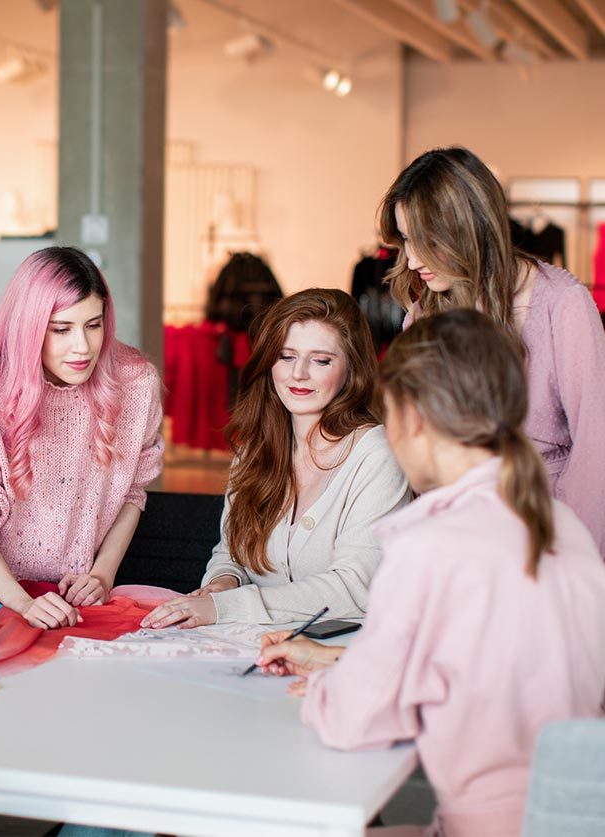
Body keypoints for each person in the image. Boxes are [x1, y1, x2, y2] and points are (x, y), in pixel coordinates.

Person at [258, 309, 605, 837]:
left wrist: (330, 687)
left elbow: (356, 719)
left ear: (412, 419)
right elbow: (487, 661)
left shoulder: (429, 543)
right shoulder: (560, 523)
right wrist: (336, 660)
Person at [381, 145, 605, 554]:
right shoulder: (425, 314)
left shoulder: (563, 305)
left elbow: (596, 447)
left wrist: (569, 556)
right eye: (407, 239)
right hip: (457, 535)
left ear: (468, 228)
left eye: (425, 240)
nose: (411, 260)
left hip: (548, 534)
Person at [141, 289, 409, 629]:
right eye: (286, 356)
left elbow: (356, 588)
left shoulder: (377, 455)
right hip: (254, 644)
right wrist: (221, 584)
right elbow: (231, 553)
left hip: (343, 650)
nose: (298, 373)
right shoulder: (253, 451)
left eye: (321, 361)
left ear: (351, 369)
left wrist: (225, 607)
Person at [0, 246, 164, 629]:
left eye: (93, 325)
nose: (83, 347)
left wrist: (102, 574)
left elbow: (132, 492)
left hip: (84, 593)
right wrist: (20, 602)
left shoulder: (136, 384)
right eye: (61, 329)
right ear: (29, 327)